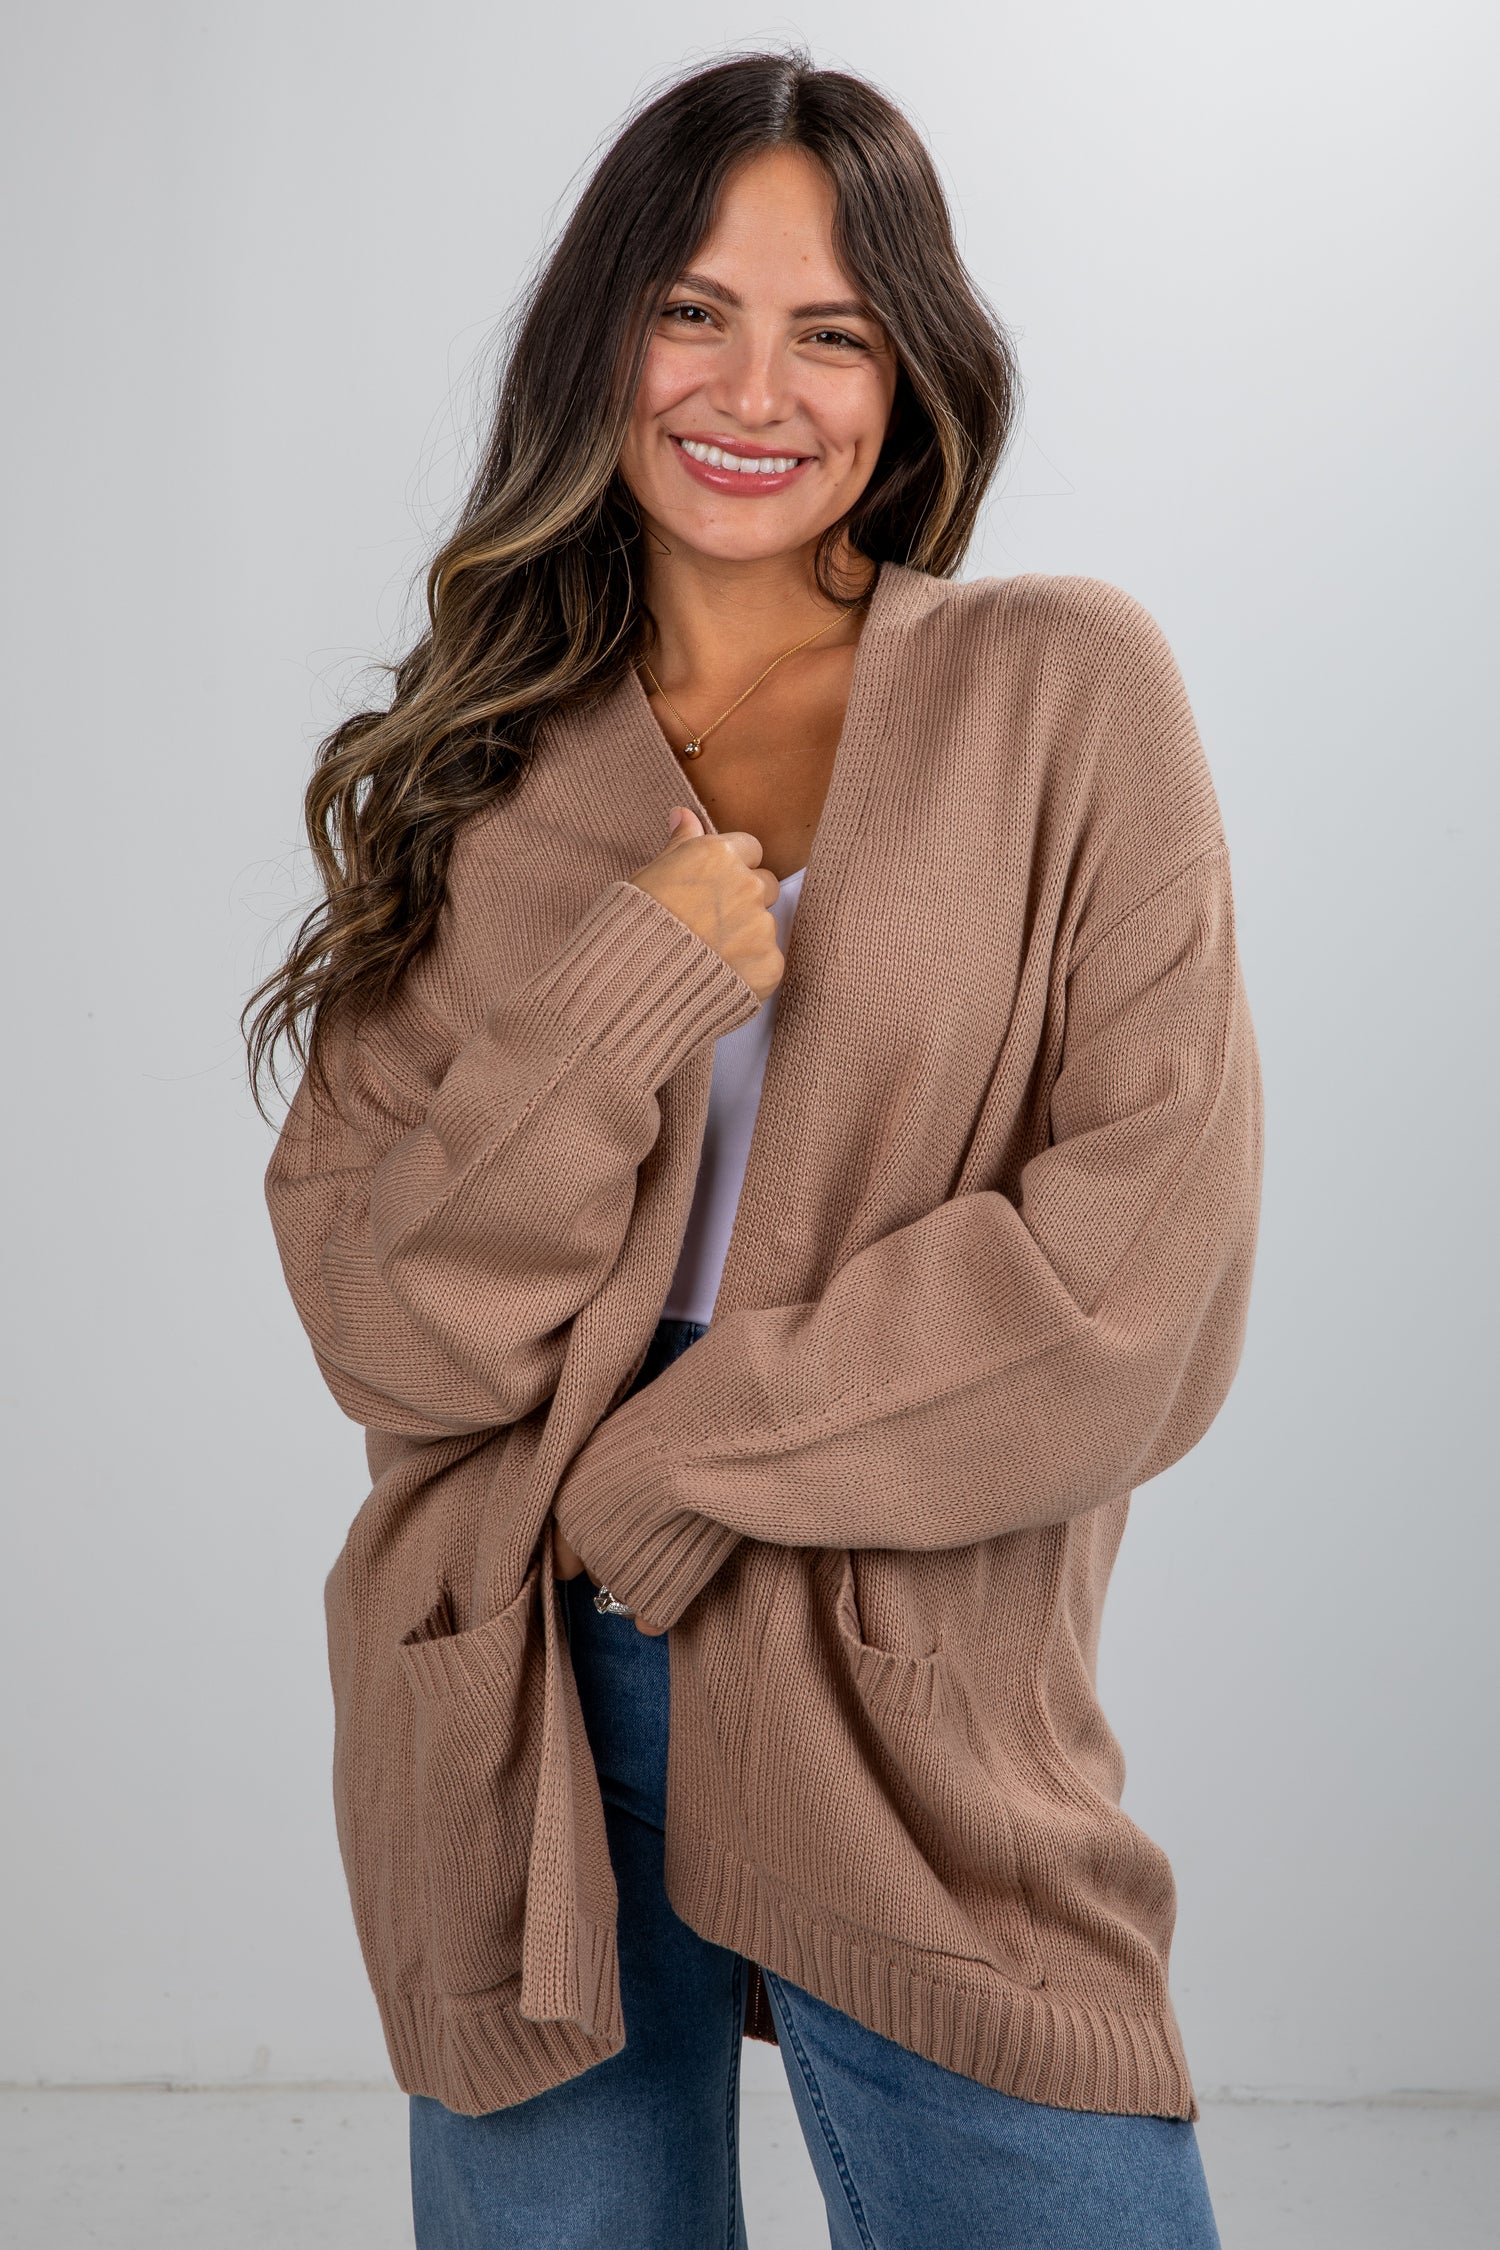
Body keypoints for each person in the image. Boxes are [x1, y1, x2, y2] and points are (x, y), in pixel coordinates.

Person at [248, 49, 1263, 2250]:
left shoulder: (1057, 691)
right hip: (518, 1701)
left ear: (912, 378)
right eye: (693, 307)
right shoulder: (478, 769)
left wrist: (673, 1463)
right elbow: (382, 1322)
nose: (754, 386)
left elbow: (1134, 1285)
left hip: (913, 1697)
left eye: (834, 329)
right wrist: (632, 986)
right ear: (600, 331)